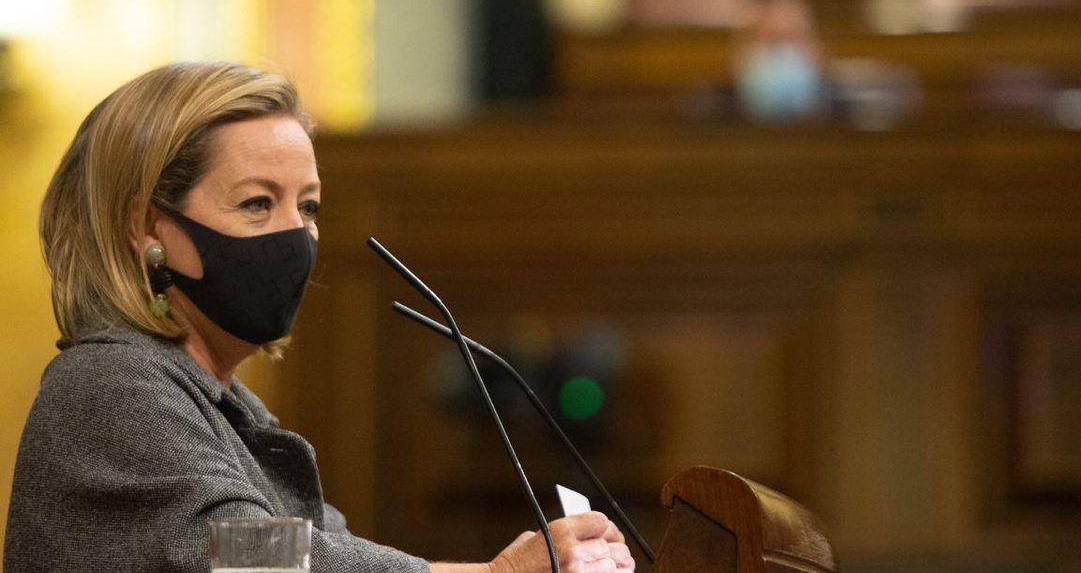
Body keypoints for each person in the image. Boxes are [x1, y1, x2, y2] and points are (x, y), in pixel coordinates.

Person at [4, 62, 636, 573]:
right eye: (257, 203)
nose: (296, 237)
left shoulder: (233, 412)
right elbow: (245, 556)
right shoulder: (108, 385)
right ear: (147, 227)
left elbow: (320, 554)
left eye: (307, 207)